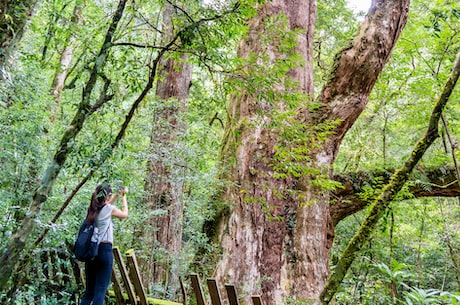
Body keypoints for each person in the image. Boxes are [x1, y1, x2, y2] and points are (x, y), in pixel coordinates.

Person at [80, 181, 128, 305]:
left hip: (91, 251)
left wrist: (116, 195)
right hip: (104, 251)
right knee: (100, 290)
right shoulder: (109, 209)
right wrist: (123, 198)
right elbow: (124, 215)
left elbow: (105, 206)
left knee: (89, 292)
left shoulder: (92, 210)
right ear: (107, 197)